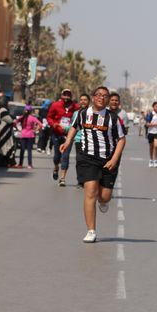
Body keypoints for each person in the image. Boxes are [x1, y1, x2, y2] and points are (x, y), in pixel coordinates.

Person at [60, 86, 126, 243]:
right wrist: (67, 142)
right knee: (90, 193)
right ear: (93, 97)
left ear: (108, 100)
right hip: (87, 158)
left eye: (105, 96)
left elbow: (121, 139)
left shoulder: (113, 118)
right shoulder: (82, 114)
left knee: (104, 196)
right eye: (99, 95)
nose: (101, 98)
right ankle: (91, 231)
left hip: (107, 159)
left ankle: (103, 201)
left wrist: (114, 160)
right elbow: (74, 127)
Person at [47, 89, 79, 186]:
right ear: (61, 96)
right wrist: (54, 124)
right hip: (56, 133)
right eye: (64, 95)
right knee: (57, 156)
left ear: (71, 96)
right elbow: (49, 117)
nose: (66, 97)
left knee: (65, 156)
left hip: (68, 135)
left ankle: (62, 178)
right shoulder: (55, 105)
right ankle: (56, 167)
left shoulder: (75, 107)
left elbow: (79, 116)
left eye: (68, 95)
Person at [70, 94, 91, 188]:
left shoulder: (92, 113)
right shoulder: (76, 113)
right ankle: (80, 180)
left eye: (85, 100)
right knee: (79, 160)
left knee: (88, 161)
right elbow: (72, 127)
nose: (83, 101)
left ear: (89, 101)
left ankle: (88, 179)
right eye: (81, 99)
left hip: (89, 141)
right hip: (79, 140)